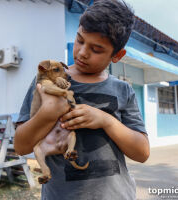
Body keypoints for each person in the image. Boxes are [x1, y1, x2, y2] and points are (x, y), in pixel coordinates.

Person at [14, 1, 149, 199]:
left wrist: (106, 120)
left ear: (117, 55)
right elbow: (21, 146)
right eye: (79, 40)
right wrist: (48, 113)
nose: (82, 52)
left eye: (96, 49)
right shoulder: (48, 79)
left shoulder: (123, 90)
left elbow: (142, 152)